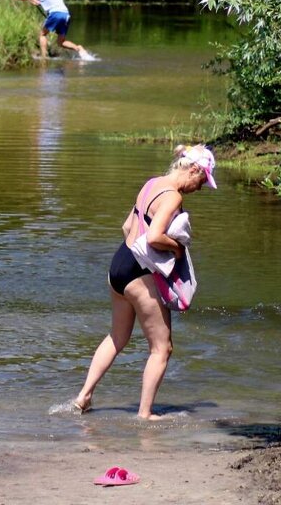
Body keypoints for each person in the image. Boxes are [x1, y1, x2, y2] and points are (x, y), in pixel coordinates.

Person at [71, 144, 218, 420]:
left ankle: (84, 396)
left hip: (119, 264)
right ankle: (145, 414)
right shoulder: (172, 196)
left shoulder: (152, 183)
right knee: (162, 347)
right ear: (194, 170)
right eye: (202, 180)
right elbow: (153, 238)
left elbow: (128, 227)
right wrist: (177, 249)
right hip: (139, 273)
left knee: (117, 337)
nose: (200, 188)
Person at [10, 0, 92, 59]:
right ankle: (79, 48)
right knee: (61, 42)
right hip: (66, 15)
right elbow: (38, 3)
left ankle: (44, 57)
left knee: (42, 34)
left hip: (56, 13)